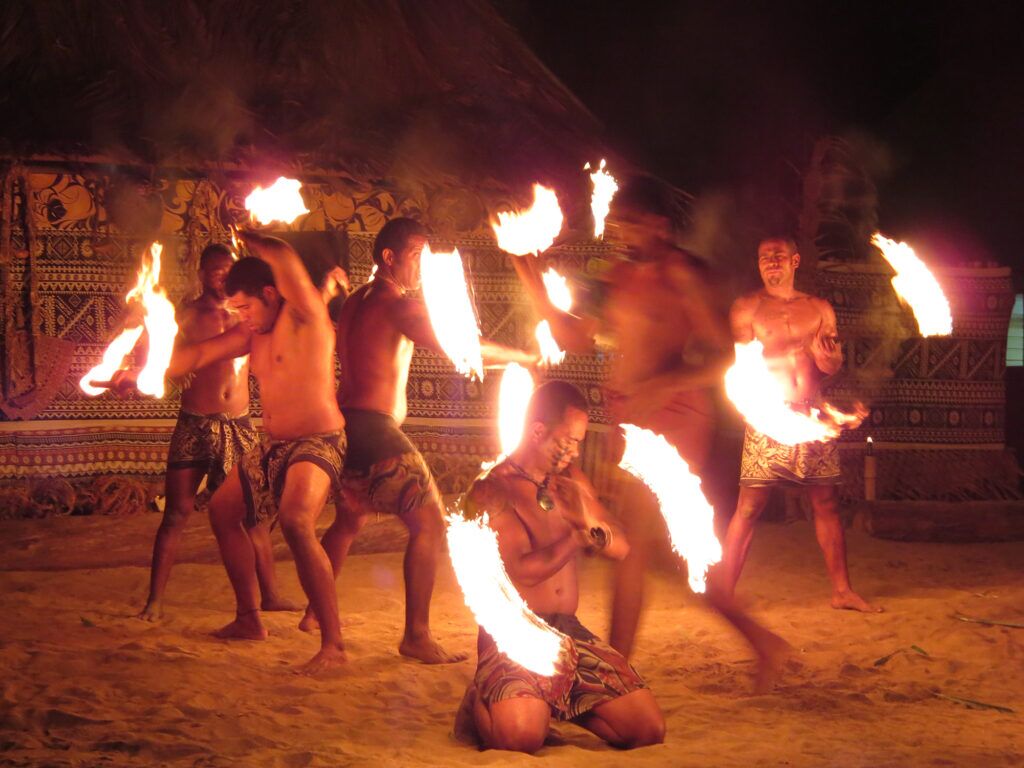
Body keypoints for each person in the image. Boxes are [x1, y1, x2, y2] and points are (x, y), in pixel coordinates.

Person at [510, 175, 732, 659]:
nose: (622, 234)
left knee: (631, 545)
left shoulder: (682, 275)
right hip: (634, 418)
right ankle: (760, 640)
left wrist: (664, 384)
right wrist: (525, 268)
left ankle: (618, 667)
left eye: (630, 223)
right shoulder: (620, 276)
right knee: (661, 554)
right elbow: (575, 339)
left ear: (659, 224)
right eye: (618, 224)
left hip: (676, 416)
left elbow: (723, 355)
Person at [112, 232, 351, 670]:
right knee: (222, 513)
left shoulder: (306, 316)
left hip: (318, 442)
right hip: (272, 445)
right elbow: (199, 355)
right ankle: (248, 617)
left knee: (297, 521)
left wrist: (251, 231)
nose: (241, 317)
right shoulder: (253, 334)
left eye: (245, 307)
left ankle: (332, 644)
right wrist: (139, 374)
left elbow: (283, 257)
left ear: (269, 293)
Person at [304, 217, 536, 664]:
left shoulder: (355, 301)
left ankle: (316, 611)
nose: (422, 265)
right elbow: (461, 345)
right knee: (429, 524)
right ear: (389, 257)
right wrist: (522, 355)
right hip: (373, 430)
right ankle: (416, 634)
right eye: (415, 255)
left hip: (347, 425)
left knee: (349, 521)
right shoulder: (394, 304)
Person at [455, 380, 665, 753]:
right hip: (512, 632)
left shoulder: (571, 482)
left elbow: (621, 547)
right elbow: (523, 572)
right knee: (521, 738)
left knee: (646, 728)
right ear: (538, 431)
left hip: (568, 633)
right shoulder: (491, 489)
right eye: (568, 440)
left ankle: (555, 702)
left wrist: (588, 524)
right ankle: (480, 702)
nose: (574, 450)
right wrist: (576, 536)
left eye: (579, 441)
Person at [715, 234, 878, 612]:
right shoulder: (746, 309)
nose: (771, 262)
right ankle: (723, 593)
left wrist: (829, 362)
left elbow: (831, 366)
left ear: (795, 261)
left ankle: (842, 592)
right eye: (764, 257)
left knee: (826, 504)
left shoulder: (819, 308)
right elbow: (740, 368)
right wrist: (762, 408)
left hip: (812, 414)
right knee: (749, 507)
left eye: (778, 256)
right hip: (768, 416)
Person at [138, 243, 296, 621]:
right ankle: (154, 602)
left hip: (238, 421)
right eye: (214, 270)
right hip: (196, 419)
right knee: (176, 513)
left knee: (252, 516)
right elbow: (162, 358)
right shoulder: (187, 315)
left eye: (227, 270)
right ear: (202, 273)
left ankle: (270, 595)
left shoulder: (250, 315)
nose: (221, 277)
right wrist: (158, 370)